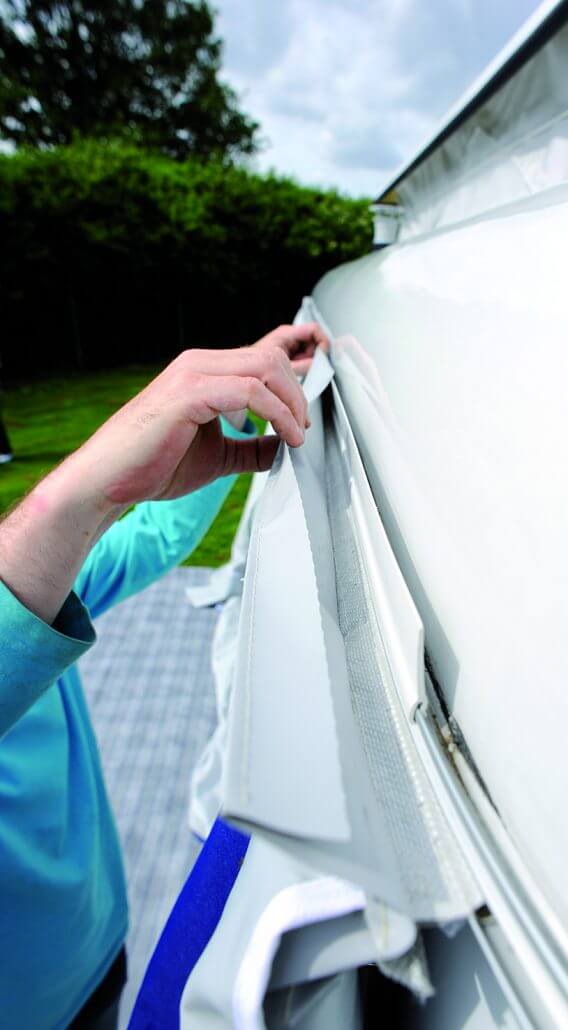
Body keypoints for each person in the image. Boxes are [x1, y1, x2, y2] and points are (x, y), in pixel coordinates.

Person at [0, 322, 328, 1029]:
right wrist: (68, 502)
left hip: (96, 948)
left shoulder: (24, 575)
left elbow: (156, 537)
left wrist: (231, 412)